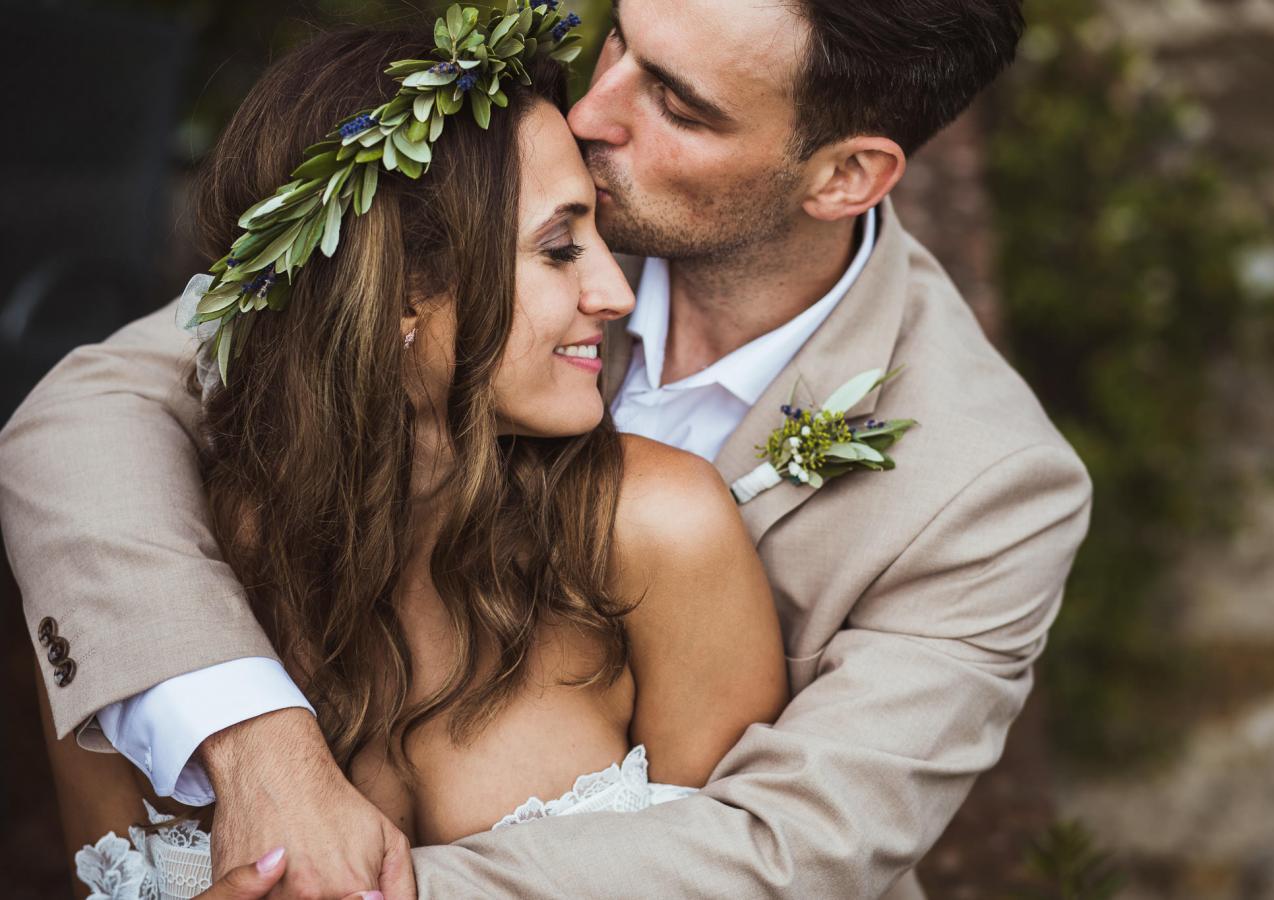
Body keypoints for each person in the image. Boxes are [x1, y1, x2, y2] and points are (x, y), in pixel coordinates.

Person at [2, 0, 1093, 897]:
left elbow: (789, 846)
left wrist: (339, 885)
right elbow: (85, 416)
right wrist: (252, 739)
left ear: (844, 175)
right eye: (620, 40)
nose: (592, 109)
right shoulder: (496, 193)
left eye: (678, 103)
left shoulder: (989, 489)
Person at [20, 12, 786, 899]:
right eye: (559, 248)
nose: (615, 292)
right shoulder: (131, 588)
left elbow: (755, 870)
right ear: (397, 301)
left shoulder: (657, 532)